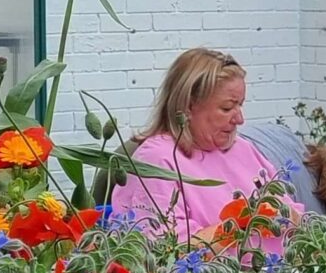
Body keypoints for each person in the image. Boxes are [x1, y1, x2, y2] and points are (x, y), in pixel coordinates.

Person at [110, 47, 282, 242]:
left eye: (240, 105)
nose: (240, 119)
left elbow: (291, 212)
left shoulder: (243, 149)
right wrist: (248, 225)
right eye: (227, 108)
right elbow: (168, 245)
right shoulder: (157, 161)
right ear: (188, 106)